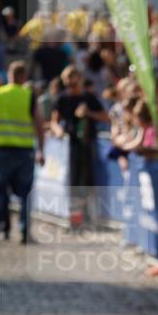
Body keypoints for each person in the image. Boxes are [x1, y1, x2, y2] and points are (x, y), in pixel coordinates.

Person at [50, 64, 109, 218]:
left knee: (89, 180)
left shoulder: (88, 98)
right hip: (72, 144)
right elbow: (54, 121)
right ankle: (76, 218)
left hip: (89, 143)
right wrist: (58, 130)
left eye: (74, 79)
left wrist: (88, 113)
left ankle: (90, 216)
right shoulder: (63, 98)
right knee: (74, 181)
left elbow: (105, 116)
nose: (71, 83)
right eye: (68, 80)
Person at [0, 60, 45, 243]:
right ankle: (25, 233)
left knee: (0, 192)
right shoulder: (29, 96)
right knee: (25, 193)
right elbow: (39, 125)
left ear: (9, 75)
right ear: (24, 76)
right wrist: (41, 149)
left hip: (1, 151)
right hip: (24, 152)